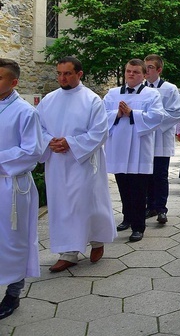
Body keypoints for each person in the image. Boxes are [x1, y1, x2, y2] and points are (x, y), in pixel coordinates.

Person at [37, 56, 116, 272]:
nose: (62, 78)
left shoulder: (92, 100)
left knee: (86, 204)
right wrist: (48, 141)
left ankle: (97, 241)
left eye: (67, 73)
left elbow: (100, 132)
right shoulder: (48, 100)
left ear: (79, 74)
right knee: (62, 206)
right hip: (57, 163)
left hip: (83, 162)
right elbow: (38, 128)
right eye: (59, 74)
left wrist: (70, 143)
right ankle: (68, 252)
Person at [0, 58, 44, 320]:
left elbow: (33, 151)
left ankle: (13, 293)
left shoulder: (25, 112)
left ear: (14, 82)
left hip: (12, 187)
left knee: (13, 239)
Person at [104, 59, 164, 243]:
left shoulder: (151, 94)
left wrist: (132, 113)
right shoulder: (112, 94)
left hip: (139, 147)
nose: (131, 74)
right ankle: (127, 217)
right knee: (123, 186)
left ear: (144, 75)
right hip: (119, 147)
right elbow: (99, 117)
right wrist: (116, 114)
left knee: (138, 188)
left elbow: (157, 117)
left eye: (136, 72)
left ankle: (138, 226)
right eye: (128, 71)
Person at [143, 55, 180, 225]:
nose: (147, 70)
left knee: (160, 175)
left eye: (150, 67)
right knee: (145, 175)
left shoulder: (170, 88)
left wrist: (153, 120)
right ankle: (149, 206)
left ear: (159, 70)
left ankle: (161, 209)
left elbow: (176, 113)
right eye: (145, 67)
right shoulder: (140, 88)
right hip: (143, 139)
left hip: (160, 138)